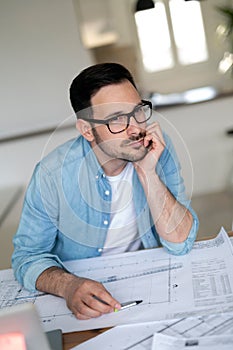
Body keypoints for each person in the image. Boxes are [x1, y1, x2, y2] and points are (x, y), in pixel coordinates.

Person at [12, 62, 199, 320]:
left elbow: (181, 243)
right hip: (87, 292)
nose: (135, 128)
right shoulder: (51, 174)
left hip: (152, 282)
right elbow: (27, 257)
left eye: (138, 111)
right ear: (87, 130)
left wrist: (148, 172)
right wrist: (68, 286)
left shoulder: (155, 146)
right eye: (117, 119)